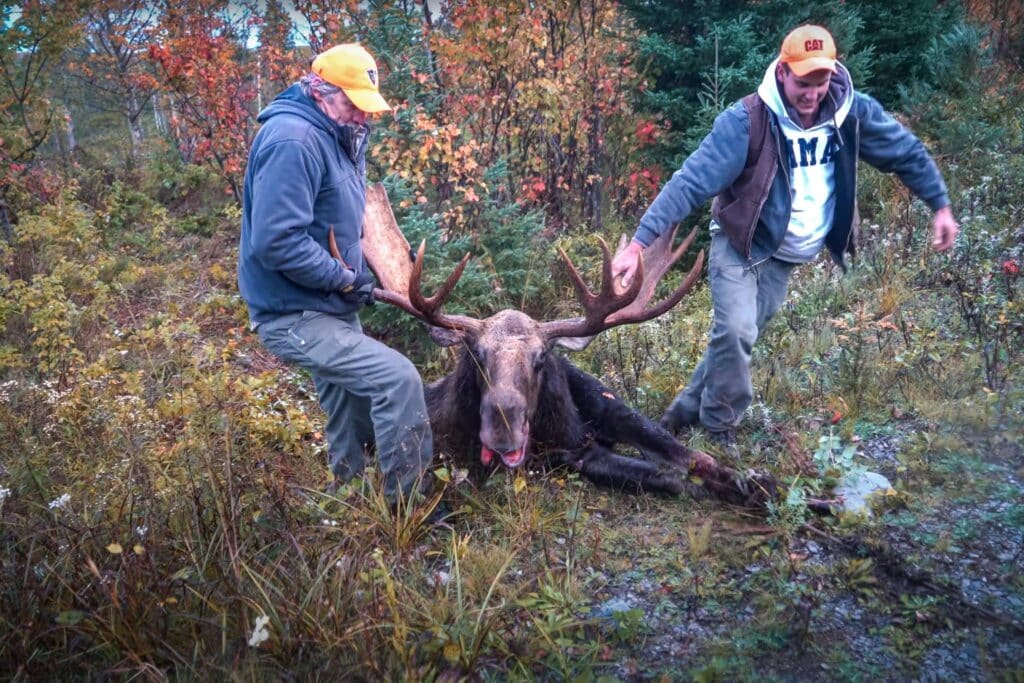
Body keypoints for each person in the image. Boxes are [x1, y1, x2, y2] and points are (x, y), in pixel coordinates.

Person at [611, 25, 959, 451]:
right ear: (782, 72)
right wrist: (638, 244)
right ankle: (719, 431)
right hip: (741, 245)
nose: (812, 93)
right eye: (802, 82)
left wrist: (939, 204)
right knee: (736, 331)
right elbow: (690, 182)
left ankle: (681, 413)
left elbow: (905, 152)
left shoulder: (852, 114)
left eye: (821, 81)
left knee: (736, 339)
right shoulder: (747, 121)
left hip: (787, 254)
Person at [238, 43, 433, 501]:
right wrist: (344, 278)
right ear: (320, 92)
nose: (361, 117)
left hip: (328, 303)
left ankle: (349, 501)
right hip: (293, 312)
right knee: (397, 380)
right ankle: (409, 508)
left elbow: (333, 220)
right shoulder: (294, 141)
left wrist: (362, 270)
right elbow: (276, 241)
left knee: (348, 405)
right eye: (352, 105)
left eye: (366, 108)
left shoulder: (337, 134)